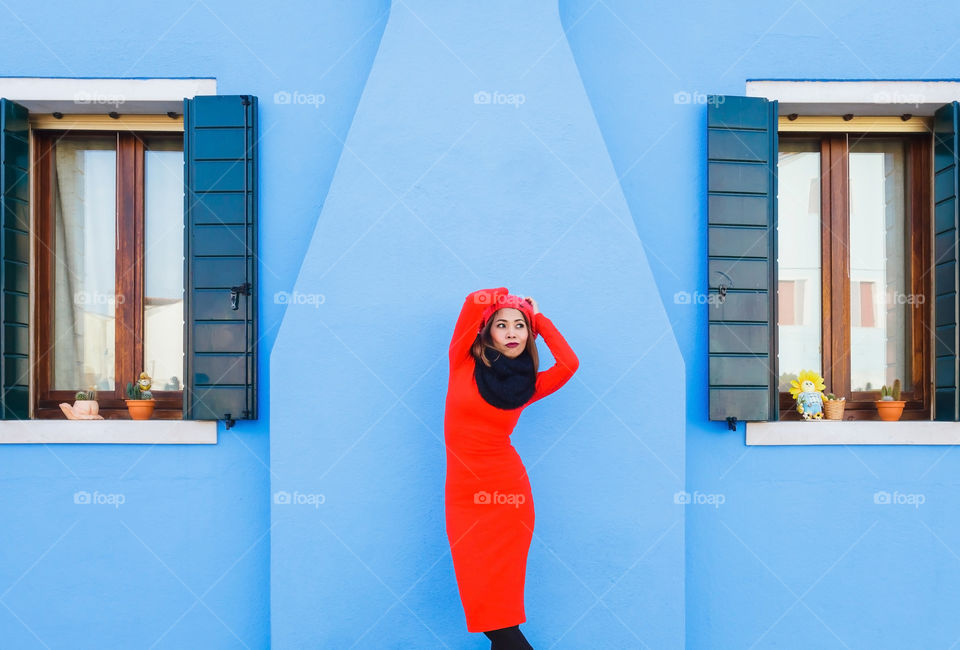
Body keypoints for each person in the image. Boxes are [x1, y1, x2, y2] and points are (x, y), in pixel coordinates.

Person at [444, 287, 579, 649]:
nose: (511, 332)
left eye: (519, 326)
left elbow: (569, 364)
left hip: (507, 497)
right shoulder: (461, 361)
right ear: (486, 332)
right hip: (462, 499)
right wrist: (507, 297)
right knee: (486, 610)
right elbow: (473, 300)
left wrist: (539, 319)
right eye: (502, 325)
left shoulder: (528, 385)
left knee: (500, 616)